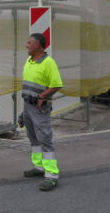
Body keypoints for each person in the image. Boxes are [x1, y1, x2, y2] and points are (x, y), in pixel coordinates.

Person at [21, 33, 63, 191]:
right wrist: (23, 111)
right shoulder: (29, 60)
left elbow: (57, 84)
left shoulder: (48, 62)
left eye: (29, 42)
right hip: (28, 105)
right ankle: (39, 167)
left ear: (37, 45)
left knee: (44, 138)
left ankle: (52, 175)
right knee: (33, 138)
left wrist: (42, 96)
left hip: (39, 108)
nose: (27, 45)